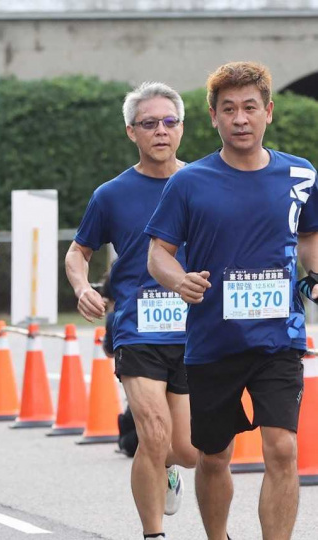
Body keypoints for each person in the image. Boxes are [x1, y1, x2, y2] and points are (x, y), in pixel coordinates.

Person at [146, 61, 317, 540]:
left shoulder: (300, 175)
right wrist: (179, 281)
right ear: (213, 118)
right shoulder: (189, 182)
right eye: (229, 110)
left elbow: (309, 235)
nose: (240, 119)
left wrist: (315, 272)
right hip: (213, 341)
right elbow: (158, 254)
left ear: (268, 112)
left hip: (278, 337)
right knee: (214, 454)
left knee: (282, 448)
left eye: (249, 108)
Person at [66, 82, 198, 540]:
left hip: (195, 330)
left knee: (187, 449)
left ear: (182, 127)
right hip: (137, 331)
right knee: (153, 433)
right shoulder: (111, 194)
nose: (160, 131)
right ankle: (153, 533)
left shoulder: (204, 181)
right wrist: (83, 288)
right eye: (149, 123)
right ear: (131, 131)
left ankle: (169, 469)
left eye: (169, 122)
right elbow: (77, 252)